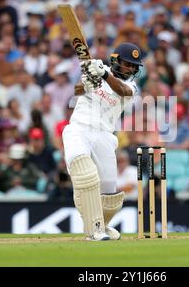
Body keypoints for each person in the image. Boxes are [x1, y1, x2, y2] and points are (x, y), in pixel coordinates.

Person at [62, 42, 143, 241]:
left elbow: (122, 91)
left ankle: (103, 226)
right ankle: (94, 231)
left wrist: (104, 76)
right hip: (79, 129)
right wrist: (88, 83)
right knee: (86, 176)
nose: (131, 68)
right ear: (115, 60)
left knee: (110, 198)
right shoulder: (97, 70)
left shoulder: (130, 86)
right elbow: (77, 89)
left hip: (105, 136)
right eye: (128, 64)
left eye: (134, 66)